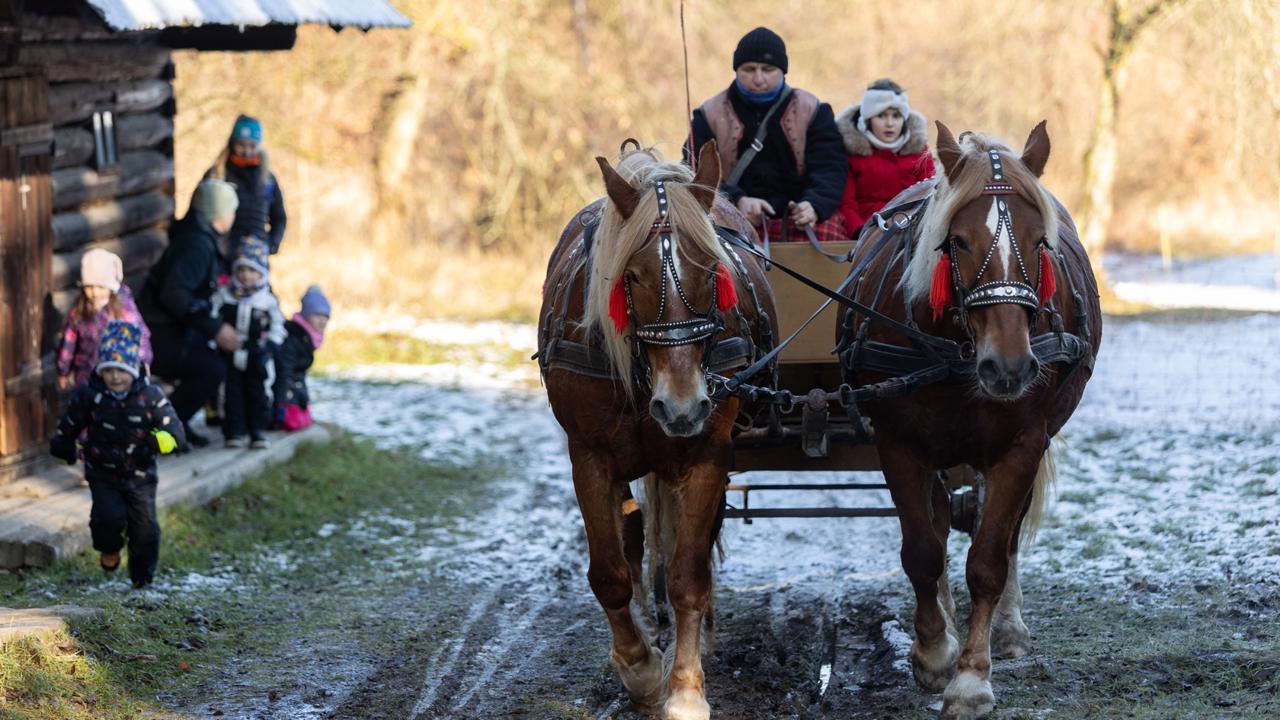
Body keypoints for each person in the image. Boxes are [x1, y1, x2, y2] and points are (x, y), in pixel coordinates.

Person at [49, 321, 186, 589]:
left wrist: (165, 440)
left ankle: (142, 577)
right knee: (107, 518)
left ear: (133, 368)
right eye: (108, 369)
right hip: (102, 471)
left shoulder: (150, 396)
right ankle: (109, 548)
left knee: (144, 528)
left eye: (121, 370)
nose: (114, 377)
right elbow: (71, 422)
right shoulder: (92, 395)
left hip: (141, 474)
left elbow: (173, 426)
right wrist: (63, 444)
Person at [688, 27, 848, 242]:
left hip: (800, 217)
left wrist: (815, 204)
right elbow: (694, 168)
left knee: (832, 239)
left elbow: (831, 166)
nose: (759, 78)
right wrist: (736, 200)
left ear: (783, 70)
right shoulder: (708, 114)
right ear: (736, 70)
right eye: (749, 69)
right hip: (728, 216)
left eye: (768, 69)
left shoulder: (814, 110)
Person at [139, 179, 242, 448]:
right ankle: (161, 432)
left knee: (215, 360)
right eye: (231, 210)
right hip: (156, 336)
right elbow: (174, 294)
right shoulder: (195, 245)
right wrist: (215, 329)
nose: (234, 216)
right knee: (211, 369)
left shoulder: (198, 237)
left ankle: (178, 424)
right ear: (219, 214)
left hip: (172, 329)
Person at [834, 78, 936, 238]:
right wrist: (861, 233)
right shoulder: (850, 152)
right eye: (881, 116)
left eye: (896, 116)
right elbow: (847, 204)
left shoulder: (919, 151)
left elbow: (929, 197)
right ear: (868, 119)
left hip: (910, 232)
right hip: (863, 234)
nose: (890, 123)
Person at [210, 238, 285, 449]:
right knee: (232, 392)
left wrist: (270, 344)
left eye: (252, 271)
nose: (246, 276)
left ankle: (257, 430)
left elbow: (278, 325)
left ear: (261, 273)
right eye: (242, 270)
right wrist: (215, 337)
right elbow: (212, 317)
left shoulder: (267, 300)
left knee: (256, 391)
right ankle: (234, 430)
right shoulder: (224, 296)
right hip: (229, 353)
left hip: (256, 354)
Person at [56, 248, 152, 391]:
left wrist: (143, 363)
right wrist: (63, 370)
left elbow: (140, 337)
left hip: (118, 376)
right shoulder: (80, 311)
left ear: (111, 286)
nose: (94, 293)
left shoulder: (124, 310)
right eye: (89, 287)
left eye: (101, 287)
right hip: (87, 375)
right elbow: (69, 343)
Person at [205, 114, 287, 265]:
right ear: (232, 143)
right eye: (241, 145)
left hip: (257, 258)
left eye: (252, 145)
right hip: (223, 254)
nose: (247, 151)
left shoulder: (268, 179)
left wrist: (271, 244)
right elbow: (201, 211)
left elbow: (279, 216)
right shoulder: (218, 173)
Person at [273, 285, 330, 432]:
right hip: (279, 392)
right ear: (306, 314)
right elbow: (284, 372)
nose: (322, 321)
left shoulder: (308, 338)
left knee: (304, 420)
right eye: (318, 315)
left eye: (326, 316)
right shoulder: (294, 337)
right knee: (294, 422)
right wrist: (281, 404)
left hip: (293, 390)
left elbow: (299, 375)